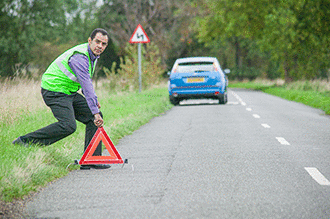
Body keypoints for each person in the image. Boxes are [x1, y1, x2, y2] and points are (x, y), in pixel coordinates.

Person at [13, 28, 110, 170]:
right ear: (89, 41)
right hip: (54, 90)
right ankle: (25, 141)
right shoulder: (81, 57)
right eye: (97, 42)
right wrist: (94, 109)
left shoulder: (93, 56)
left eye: (104, 44)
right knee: (68, 125)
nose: (100, 46)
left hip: (68, 91)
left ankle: (91, 159)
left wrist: (93, 104)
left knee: (93, 117)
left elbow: (84, 83)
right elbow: (87, 84)